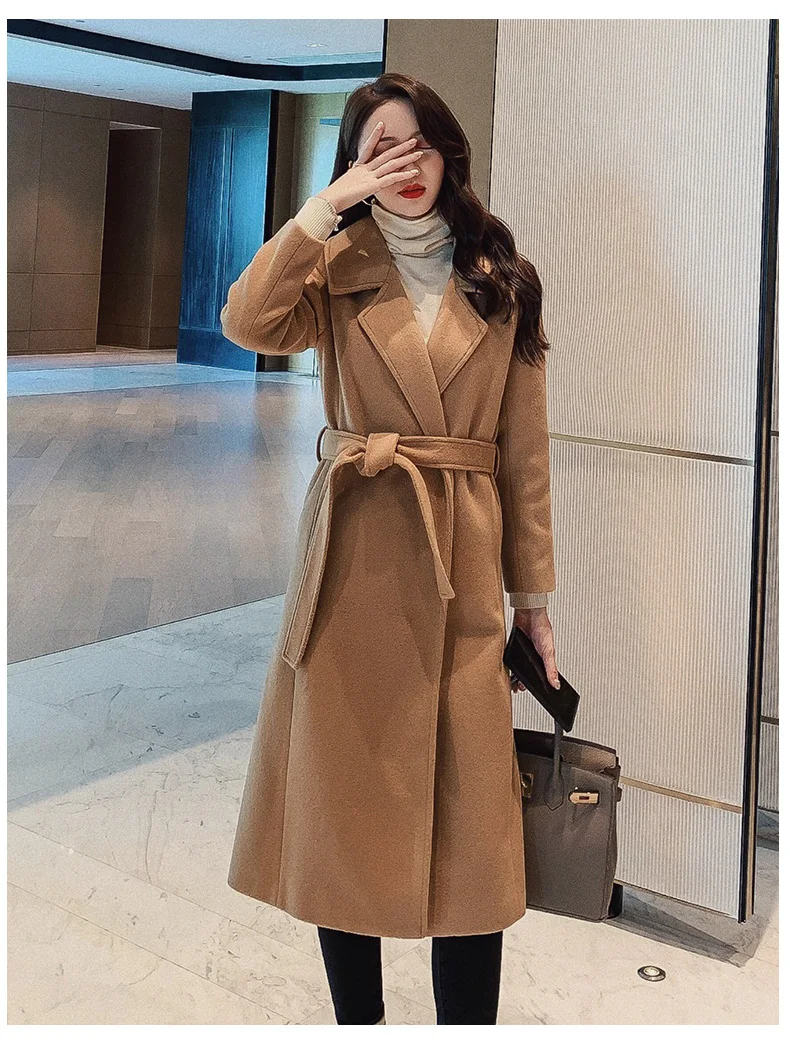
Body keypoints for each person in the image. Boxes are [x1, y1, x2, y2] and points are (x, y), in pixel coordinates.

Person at [220, 73, 560, 1025]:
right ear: (354, 167)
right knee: (347, 814)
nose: (404, 165)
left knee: (475, 836)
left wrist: (534, 605)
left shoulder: (504, 278)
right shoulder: (334, 269)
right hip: (352, 568)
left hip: (464, 575)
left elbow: (525, 457)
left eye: (418, 145)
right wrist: (321, 212)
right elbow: (245, 322)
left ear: (449, 153)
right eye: (380, 150)